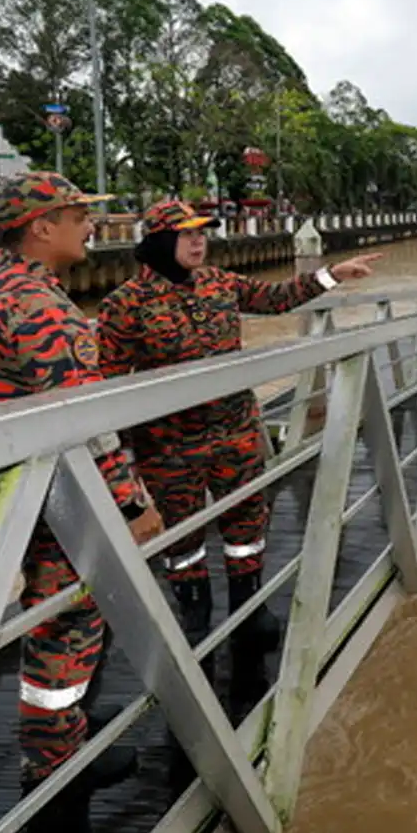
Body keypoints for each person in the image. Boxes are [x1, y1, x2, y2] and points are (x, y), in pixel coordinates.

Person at [0, 171, 164, 833]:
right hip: (62, 489)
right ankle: (54, 763)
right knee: (67, 621)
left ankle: (58, 731)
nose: (89, 224)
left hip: (11, 477)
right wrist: (132, 504)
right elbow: (84, 417)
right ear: (41, 227)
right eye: (77, 214)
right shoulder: (43, 307)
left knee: (47, 613)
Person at [94, 200, 381, 683]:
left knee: (247, 526)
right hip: (169, 447)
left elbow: (279, 297)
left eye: (203, 233)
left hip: (235, 433)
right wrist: (121, 466)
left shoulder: (219, 284)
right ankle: (195, 624)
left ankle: (250, 614)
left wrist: (333, 275)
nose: (199, 241)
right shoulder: (125, 305)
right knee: (183, 542)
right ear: (161, 241)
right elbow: (107, 385)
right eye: (187, 235)